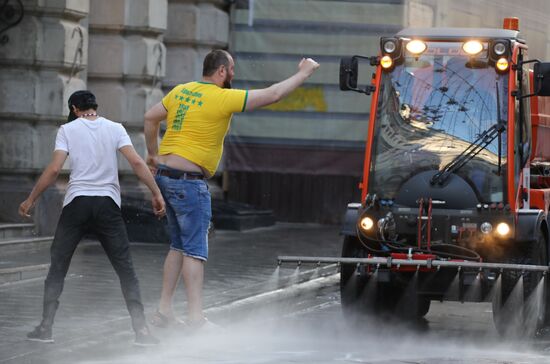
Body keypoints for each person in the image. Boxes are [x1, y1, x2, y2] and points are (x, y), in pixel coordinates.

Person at [144, 49, 320, 327]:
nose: (234, 74)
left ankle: (164, 311)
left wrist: (152, 157)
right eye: (232, 69)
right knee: (194, 250)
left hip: (166, 177)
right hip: (189, 184)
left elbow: (150, 118)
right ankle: (195, 320)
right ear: (222, 71)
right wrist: (304, 73)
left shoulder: (180, 91)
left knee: (178, 245)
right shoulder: (223, 97)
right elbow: (273, 94)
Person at [19, 90, 165, 346]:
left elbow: (54, 169)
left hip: (77, 204)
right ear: (94, 107)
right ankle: (141, 331)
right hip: (108, 205)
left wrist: (31, 199)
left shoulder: (68, 130)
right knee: (125, 268)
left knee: (58, 266)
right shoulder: (116, 128)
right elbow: (138, 163)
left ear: (75, 108)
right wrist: (156, 193)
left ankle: (46, 327)